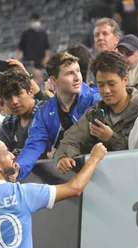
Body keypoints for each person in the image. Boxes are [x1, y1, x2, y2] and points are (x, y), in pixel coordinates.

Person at [14, 52, 101, 181]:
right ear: (54, 81)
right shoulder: (44, 114)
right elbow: (34, 145)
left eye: (78, 71)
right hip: (68, 179)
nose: (77, 78)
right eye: (69, 73)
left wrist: (56, 154)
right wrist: (19, 168)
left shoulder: (95, 99)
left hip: (101, 171)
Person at [56, 51, 138, 173]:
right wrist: (65, 157)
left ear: (125, 80)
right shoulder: (94, 112)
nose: (106, 90)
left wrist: (111, 138)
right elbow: (70, 139)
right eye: (101, 85)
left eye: (111, 84)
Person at [0, 69, 46, 155]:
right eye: (8, 97)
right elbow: (1, 154)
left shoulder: (47, 113)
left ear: (30, 92)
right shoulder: (8, 123)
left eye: (18, 94)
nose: (14, 101)